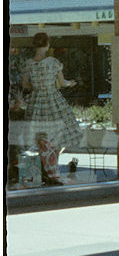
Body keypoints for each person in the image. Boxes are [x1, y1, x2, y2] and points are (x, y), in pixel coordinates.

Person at [21, 32, 82, 172]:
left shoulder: (28, 65)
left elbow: (25, 85)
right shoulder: (53, 63)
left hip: (36, 102)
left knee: (40, 136)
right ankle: (53, 167)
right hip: (52, 100)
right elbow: (62, 82)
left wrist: (37, 87)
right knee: (57, 135)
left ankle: (45, 167)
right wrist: (70, 83)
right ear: (47, 44)